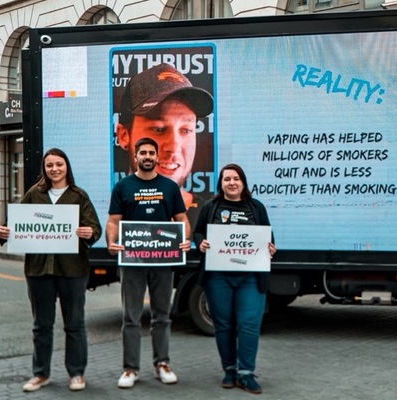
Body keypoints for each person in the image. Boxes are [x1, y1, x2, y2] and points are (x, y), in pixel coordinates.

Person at [0, 148, 102, 392]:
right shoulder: (34, 194)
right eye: (50, 165)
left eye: (59, 164)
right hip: (38, 269)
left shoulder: (78, 196)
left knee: (74, 324)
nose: (54, 169)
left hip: (73, 269)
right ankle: (40, 374)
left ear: (67, 167)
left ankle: (76, 373)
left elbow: (93, 228)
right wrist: (3, 233)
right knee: (41, 325)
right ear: (44, 169)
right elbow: (13, 225)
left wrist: (89, 233)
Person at [106, 137, 192, 389]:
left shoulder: (169, 186)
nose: (147, 156)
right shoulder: (123, 186)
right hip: (132, 262)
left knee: (162, 316)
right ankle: (130, 368)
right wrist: (112, 242)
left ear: (156, 157)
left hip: (163, 261)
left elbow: (182, 219)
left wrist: (185, 238)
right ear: (135, 156)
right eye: (142, 152)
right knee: (131, 317)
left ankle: (162, 364)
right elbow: (113, 221)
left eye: (151, 153)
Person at [193, 164, 276, 395]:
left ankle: (246, 373)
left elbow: (268, 237)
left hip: (250, 277)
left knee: (249, 325)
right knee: (224, 325)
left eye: (236, 178)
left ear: (243, 182)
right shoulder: (211, 207)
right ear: (220, 183)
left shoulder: (256, 207)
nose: (231, 182)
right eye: (227, 178)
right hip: (218, 277)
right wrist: (200, 243)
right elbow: (198, 233)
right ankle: (229, 370)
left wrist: (270, 247)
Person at [115, 62, 214, 217]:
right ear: (123, 136)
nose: (174, 147)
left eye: (186, 130)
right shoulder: (102, 211)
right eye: (159, 129)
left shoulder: (214, 216)